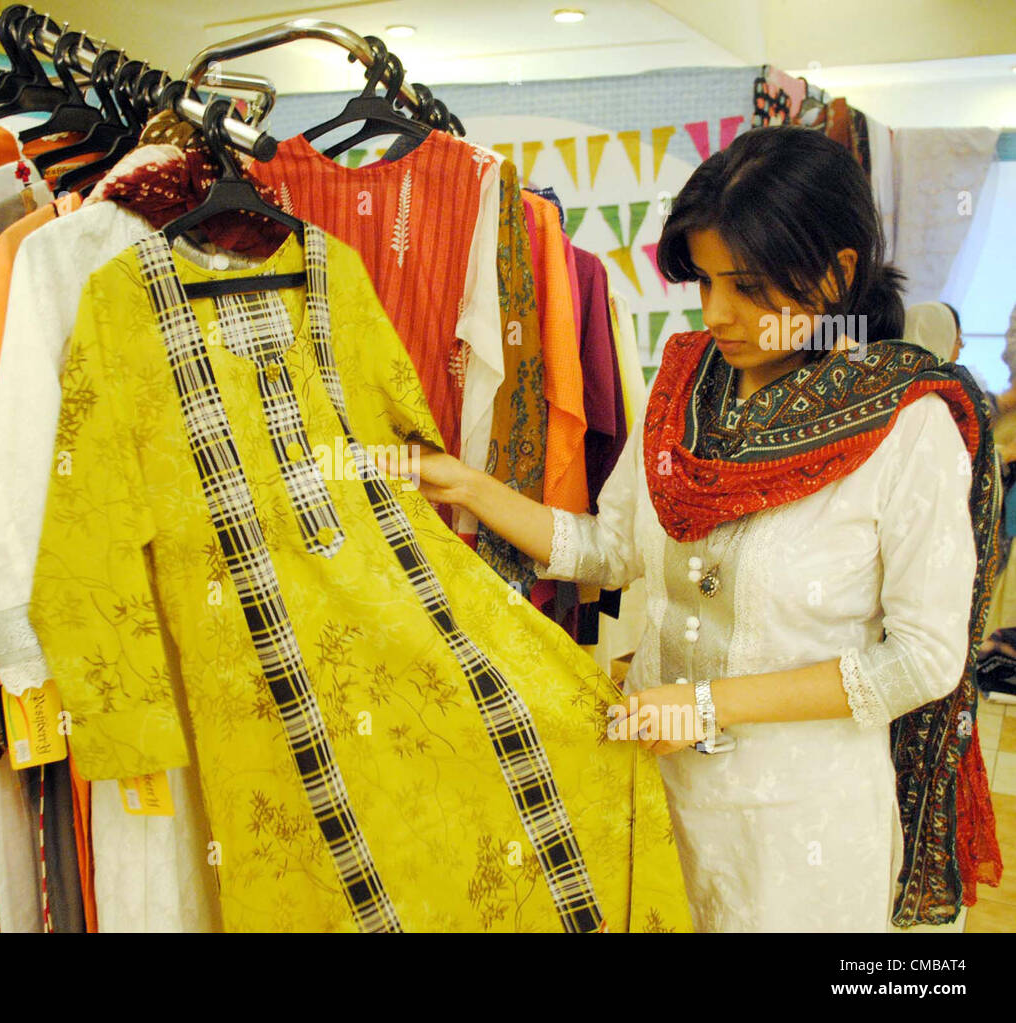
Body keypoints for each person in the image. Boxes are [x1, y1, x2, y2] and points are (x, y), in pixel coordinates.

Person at [390, 125, 1002, 931]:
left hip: (801, 831)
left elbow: (924, 659)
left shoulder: (907, 425)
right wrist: (467, 484)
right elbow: (608, 550)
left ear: (838, 271)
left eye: (746, 286)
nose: (716, 313)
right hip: (658, 796)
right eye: (704, 282)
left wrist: (709, 703)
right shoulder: (682, 387)